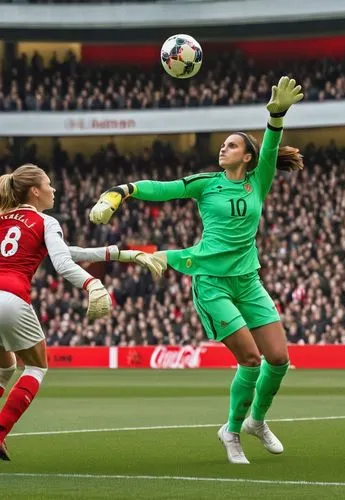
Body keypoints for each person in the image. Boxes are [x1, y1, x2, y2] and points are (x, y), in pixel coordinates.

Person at [89, 76, 304, 464]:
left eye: (233, 144)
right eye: (223, 144)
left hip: (248, 280)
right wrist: (125, 190)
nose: (224, 147)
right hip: (211, 283)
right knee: (251, 360)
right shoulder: (207, 183)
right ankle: (232, 431)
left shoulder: (259, 181)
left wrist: (276, 116)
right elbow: (166, 188)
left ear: (247, 157)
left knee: (279, 359)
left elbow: (271, 148)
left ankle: (257, 420)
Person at [0, 164, 165, 461]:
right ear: (35, 191)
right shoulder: (44, 221)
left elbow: (66, 251)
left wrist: (118, 253)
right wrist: (92, 284)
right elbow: (62, 264)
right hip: (11, 296)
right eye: (49, 184)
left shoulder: (3, 219)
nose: (54, 189)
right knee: (36, 367)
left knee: (4, 367)